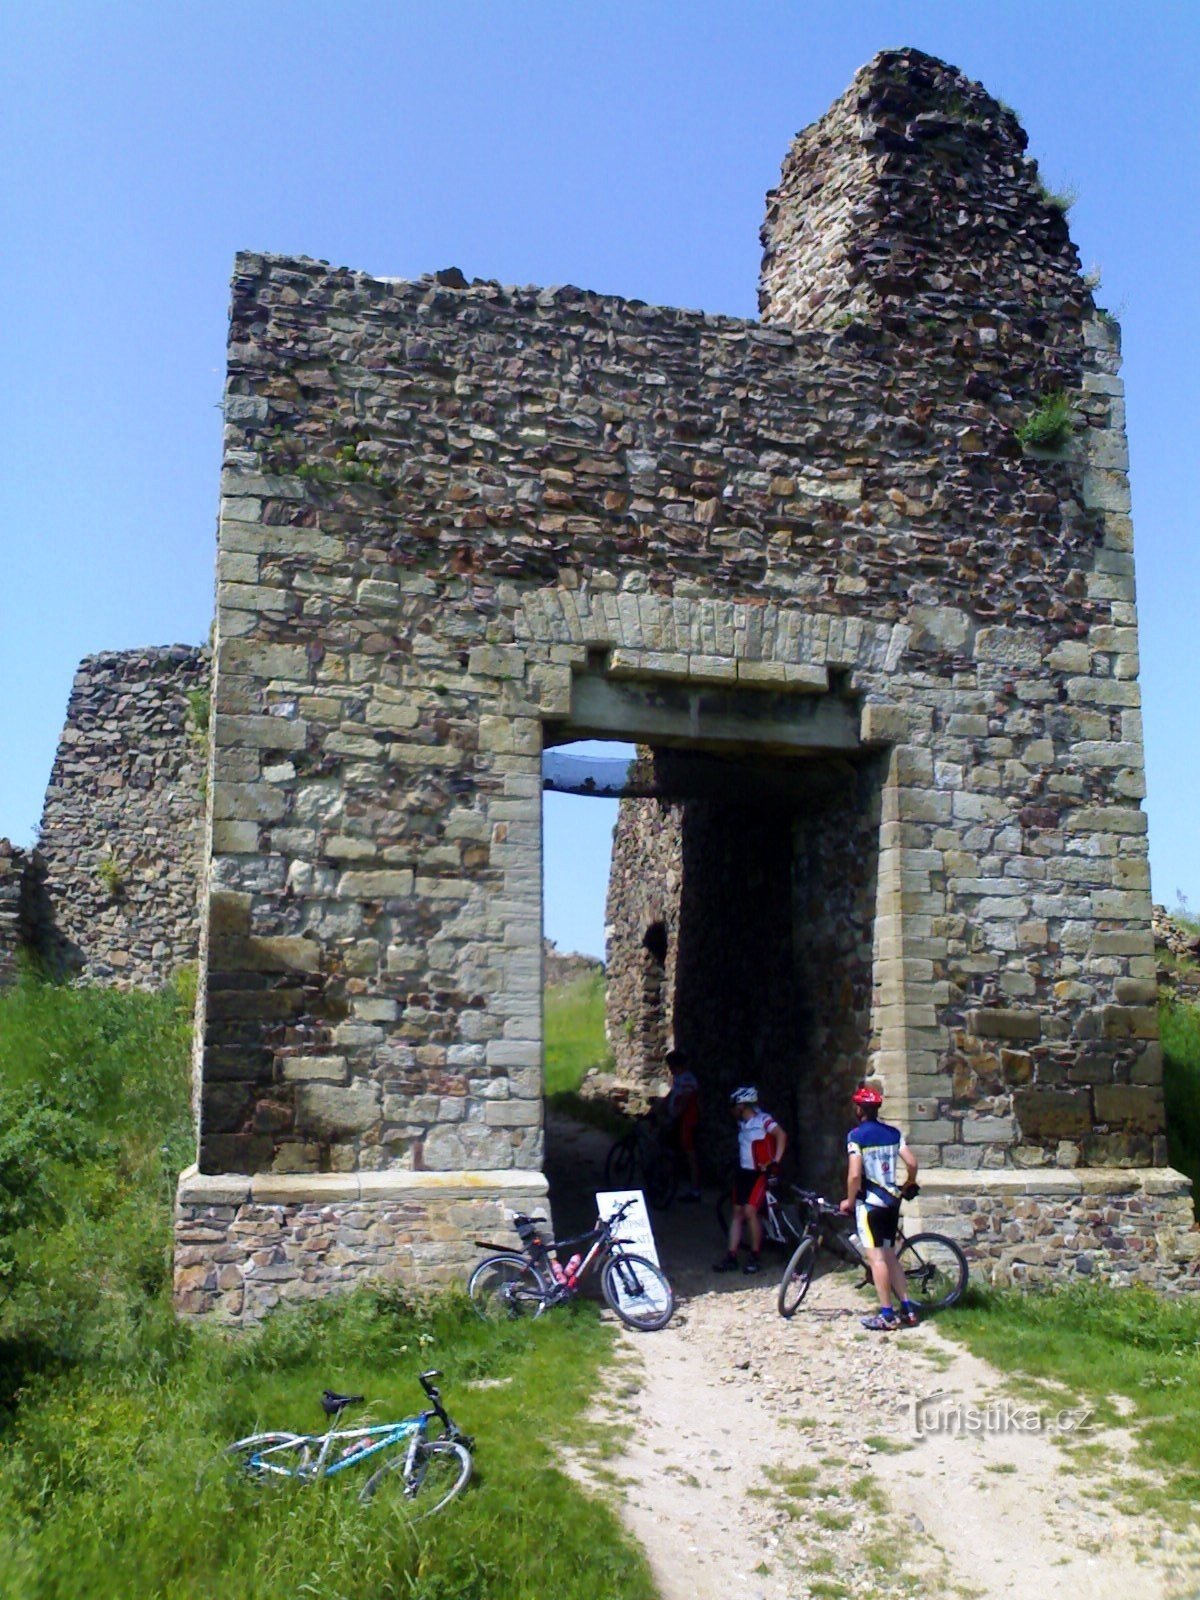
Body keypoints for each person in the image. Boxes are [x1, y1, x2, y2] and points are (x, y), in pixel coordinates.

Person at [839, 1083, 921, 1331]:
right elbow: (912, 1163)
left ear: (859, 1110)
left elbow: (854, 1175)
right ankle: (907, 1308)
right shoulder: (893, 1133)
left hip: (871, 1205)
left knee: (877, 1260)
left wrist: (850, 1201)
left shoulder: (856, 1136)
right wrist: (909, 1183)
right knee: (890, 1256)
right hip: (892, 1203)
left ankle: (887, 1314)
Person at [713, 1086, 786, 1275]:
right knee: (737, 1213)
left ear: (742, 1105)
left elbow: (781, 1135)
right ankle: (731, 1256)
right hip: (743, 1173)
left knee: (750, 1211)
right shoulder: (742, 1124)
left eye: (734, 1106)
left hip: (759, 1174)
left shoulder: (763, 1120)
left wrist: (775, 1161)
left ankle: (755, 1255)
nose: (732, 1110)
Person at [659, 1048, 701, 1201]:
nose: (670, 1069)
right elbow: (673, 1095)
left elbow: (684, 1101)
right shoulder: (679, 1078)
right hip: (679, 1120)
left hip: (687, 1121)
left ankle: (695, 1190)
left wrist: (673, 1115)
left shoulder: (688, 1080)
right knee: (672, 1150)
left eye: (672, 1066)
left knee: (690, 1155)